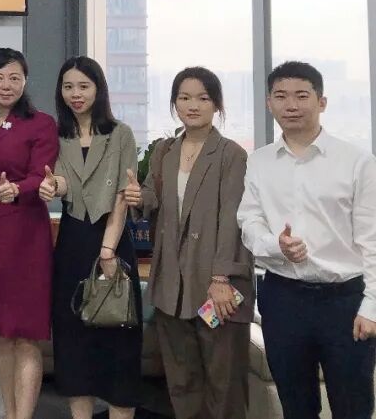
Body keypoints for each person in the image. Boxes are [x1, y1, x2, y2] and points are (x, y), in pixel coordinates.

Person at [237, 61, 376, 419]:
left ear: (321, 102)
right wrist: (276, 246)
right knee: (296, 405)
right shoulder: (260, 162)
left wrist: (372, 306)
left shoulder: (357, 161)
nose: (291, 105)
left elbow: (372, 238)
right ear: (269, 103)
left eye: (302, 96)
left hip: (345, 300)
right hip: (283, 298)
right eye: (281, 96)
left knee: (353, 405)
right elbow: (249, 220)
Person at [126, 67, 253, 419]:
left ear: (217, 105)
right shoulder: (164, 150)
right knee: (182, 382)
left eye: (202, 98)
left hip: (216, 287)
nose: (192, 105)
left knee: (223, 383)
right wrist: (138, 197)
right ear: (174, 103)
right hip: (172, 285)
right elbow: (153, 199)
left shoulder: (231, 154)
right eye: (184, 98)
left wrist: (222, 278)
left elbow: (233, 219)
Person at [38, 55, 141, 419]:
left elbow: (122, 197)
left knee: (119, 342)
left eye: (84, 86)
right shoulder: (57, 135)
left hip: (112, 241)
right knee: (73, 343)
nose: (76, 94)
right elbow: (64, 182)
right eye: (68, 87)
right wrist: (52, 186)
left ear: (99, 89)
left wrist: (109, 250)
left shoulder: (120, 133)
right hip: (72, 242)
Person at [0, 48, 58, 419]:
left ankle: (24, 416)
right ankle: (8, 412)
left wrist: (18, 188)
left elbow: (42, 173)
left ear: (25, 81)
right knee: (1, 331)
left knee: (26, 333)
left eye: (14, 78)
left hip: (25, 231)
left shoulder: (40, 123)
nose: (6, 85)